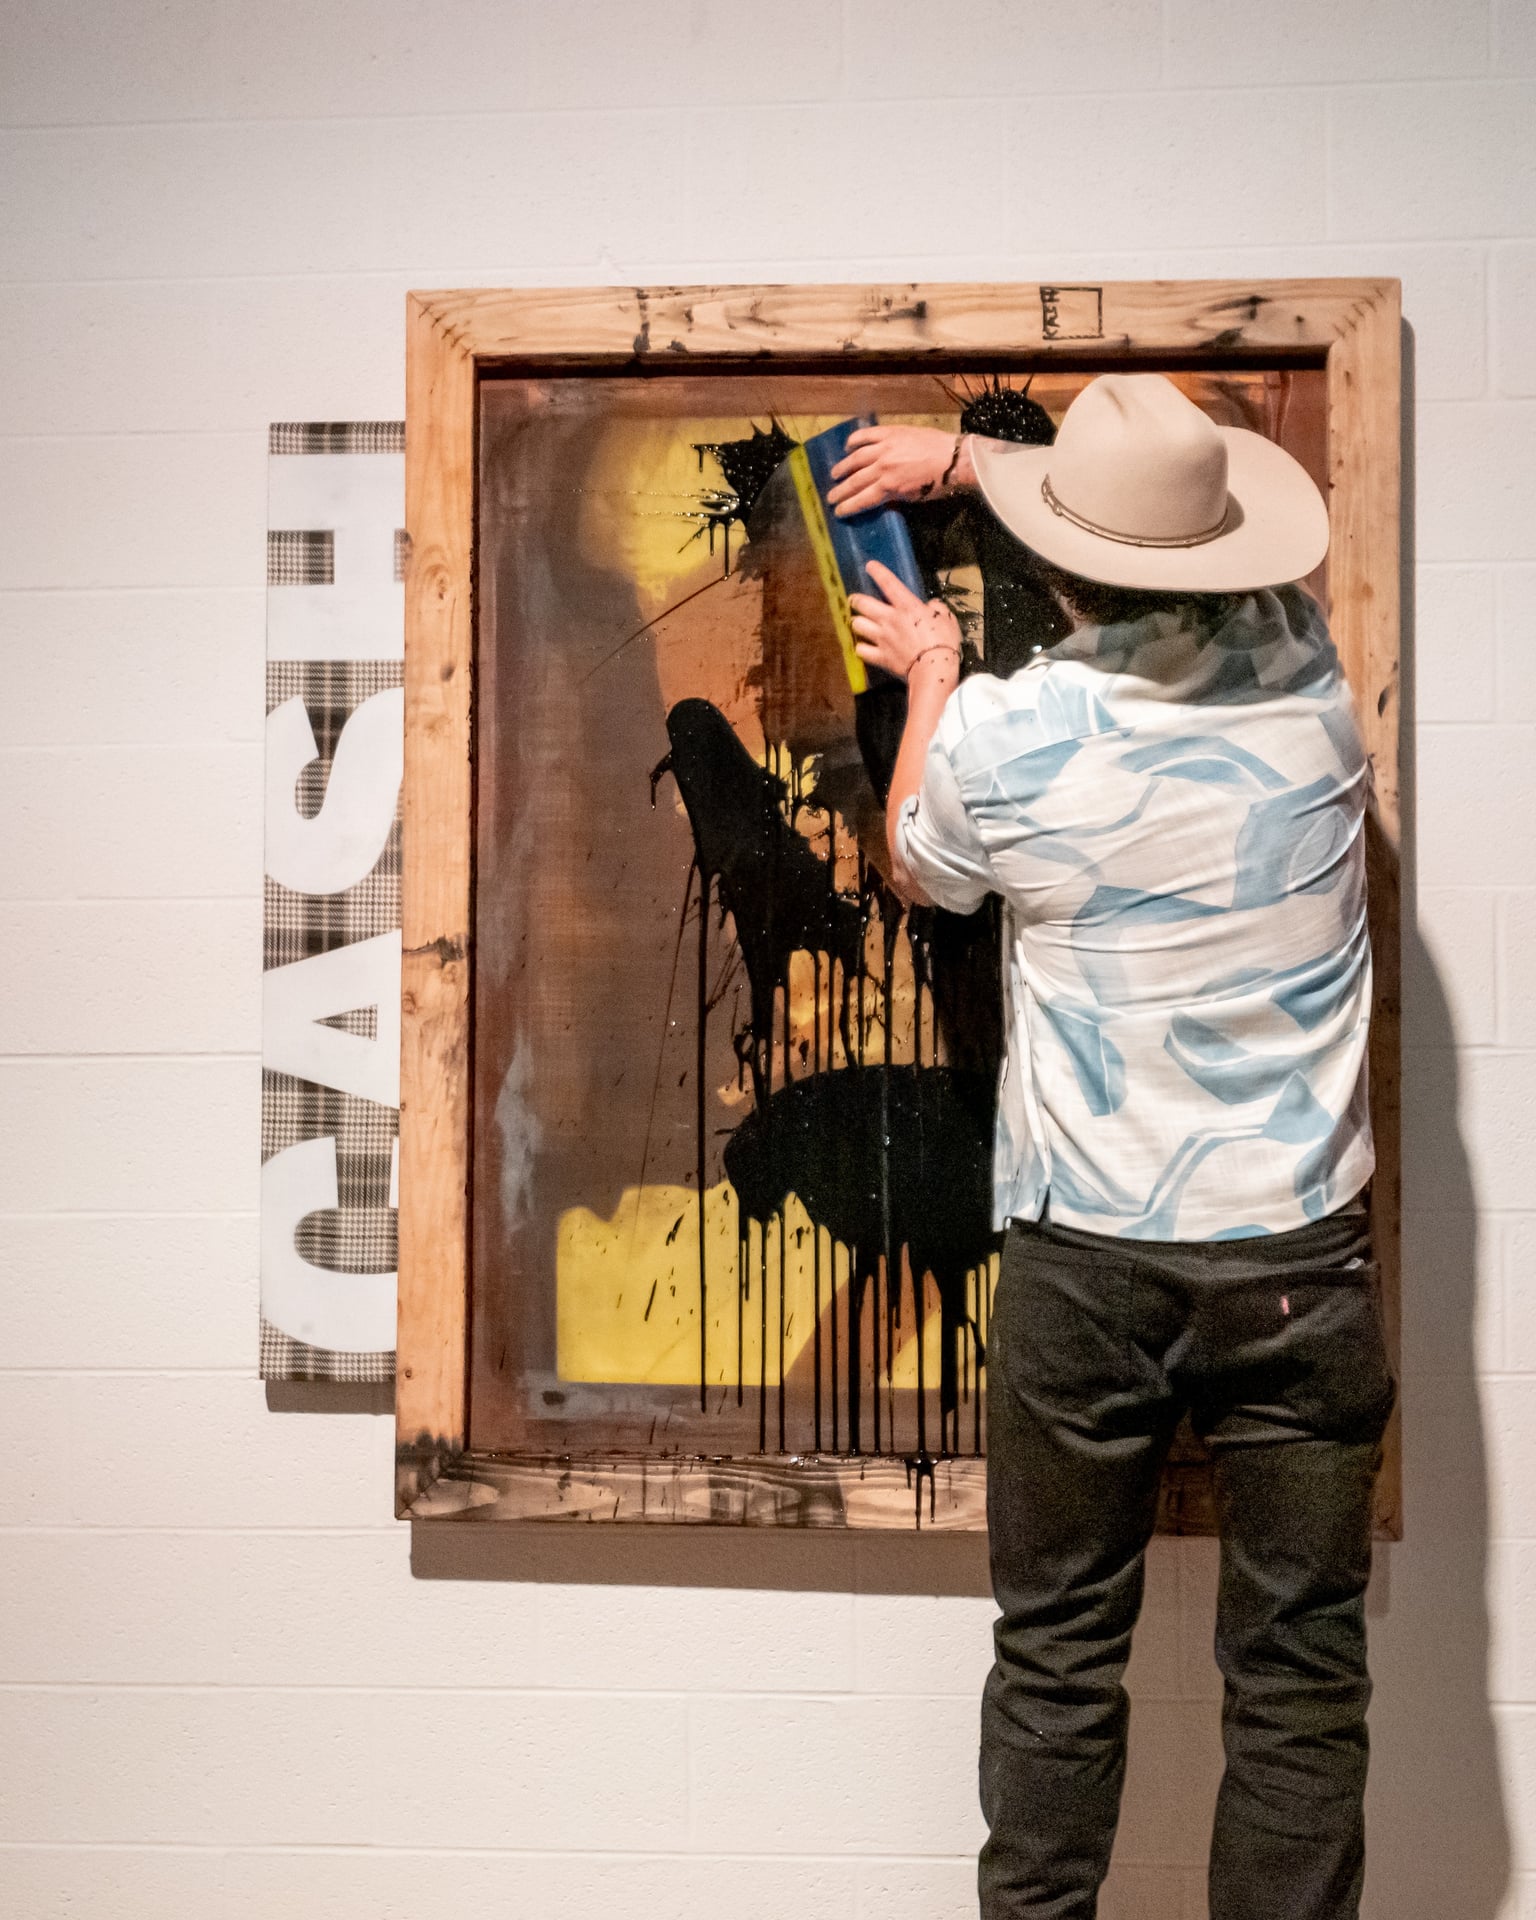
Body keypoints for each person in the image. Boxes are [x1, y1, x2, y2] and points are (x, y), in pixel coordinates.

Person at [828, 375, 1395, 1920]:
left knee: (1059, 1660)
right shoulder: (1310, 673)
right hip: (1302, 1260)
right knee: (1299, 1680)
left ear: (1053, 565)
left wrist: (933, 669)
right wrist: (978, 457)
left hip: (1091, 1266)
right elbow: (1197, 570)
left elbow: (919, 866)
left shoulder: (1012, 737)